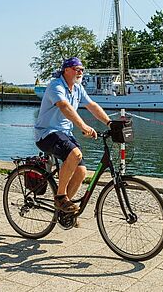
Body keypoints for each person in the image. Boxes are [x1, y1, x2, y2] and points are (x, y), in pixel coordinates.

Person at [34, 57, 112, 214]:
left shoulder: (77, 88)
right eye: (78, 69)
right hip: (47, 133)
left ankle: (64, 211)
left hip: (65, 133)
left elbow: (92, 106)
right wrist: (83, 126)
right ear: (66, 70)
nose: (81, 72)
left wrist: (110, 123)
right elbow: (64, 106)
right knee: (75, 154)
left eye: (82, 69)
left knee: (82, 171)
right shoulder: (56, 86)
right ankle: (60, 196)